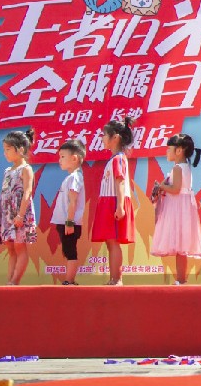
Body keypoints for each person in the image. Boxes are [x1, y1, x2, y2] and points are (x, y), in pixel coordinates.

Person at [151, 133, 201, 285]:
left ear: (179, 150)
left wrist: (161, 186)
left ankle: (181, 279)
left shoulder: (177, 168)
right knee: (181, 246)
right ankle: (181, 279)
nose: (167, 152)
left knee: (180, 245)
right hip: (183, 207)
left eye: (169, 149)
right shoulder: (185, 167)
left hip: (178, 208)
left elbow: (175, 189)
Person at [91, 118, 135, 285]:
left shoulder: (119, 159)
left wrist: (120, 206)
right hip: (109, 201)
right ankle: (113, 278)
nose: (102, 138)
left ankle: (117, 278)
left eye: (105, 135)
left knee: (113, 241)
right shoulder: (115, 159)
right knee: (110, 241)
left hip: (114, 202)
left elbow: (120, 181)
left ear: (115, 138)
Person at [0, 129, 38, 285]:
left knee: (20, 247)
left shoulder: (25, 169)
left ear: (20, 149)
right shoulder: (7, 171)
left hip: (20, 214)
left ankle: (15, 281)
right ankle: (10, 282)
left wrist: (20, 215)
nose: (5, 153)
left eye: (8, 149)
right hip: (7, 214)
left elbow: (27, 192)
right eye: (4, 150)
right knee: (11, 249)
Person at [51, 138, 86, 285]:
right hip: (65, 222)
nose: (60, 160)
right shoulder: (71, 178)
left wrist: (69, 222)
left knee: (70, 251)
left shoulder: (75, 178)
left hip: (69, 223)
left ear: (74, 158)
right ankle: (69, 280)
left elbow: (73, 201)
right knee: (67, 250)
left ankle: (70, 280)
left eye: (63, 157)